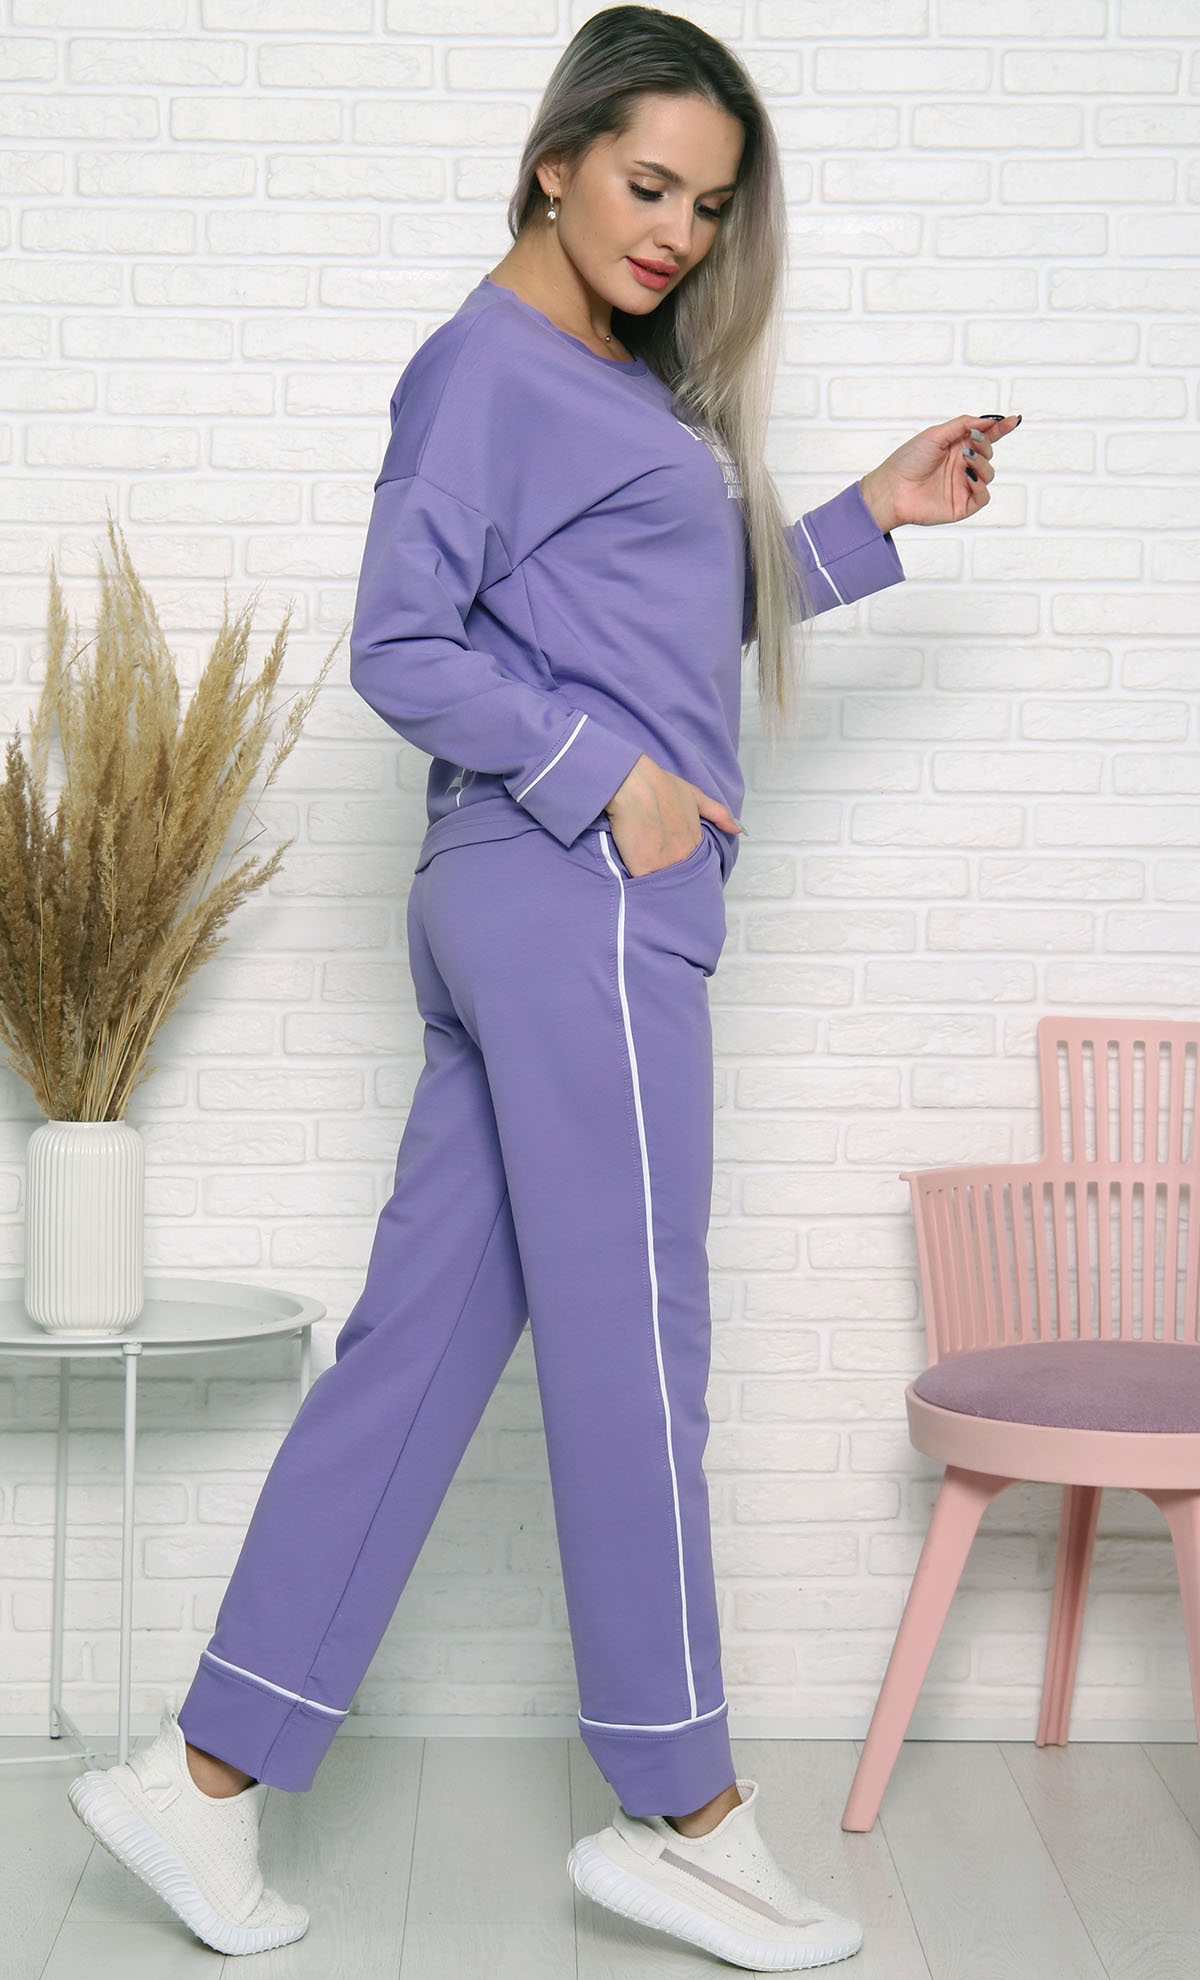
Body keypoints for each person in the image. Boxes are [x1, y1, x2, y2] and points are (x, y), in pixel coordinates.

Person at [65, 7, 1019, 1968]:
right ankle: (685, 1811)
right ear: (555, 160)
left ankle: (204, 1779)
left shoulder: (603, 381)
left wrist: (866, 521)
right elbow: (399, 643)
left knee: (422, 1347)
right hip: (575, 889)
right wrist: (614, 784)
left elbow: (656, 613)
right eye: (649, 184)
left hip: (534, 897)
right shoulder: (488, 365)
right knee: (635, 1343)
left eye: (710, 206)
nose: (676, 232)